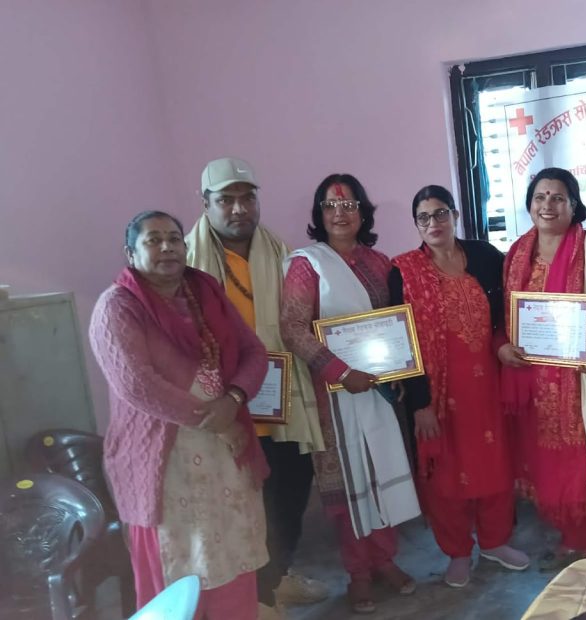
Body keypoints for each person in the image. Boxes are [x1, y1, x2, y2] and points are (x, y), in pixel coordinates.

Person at [90, 211, 269, 619]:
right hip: (163, 462)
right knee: (179, 567)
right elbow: (137, 385)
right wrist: (219, 423)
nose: (167, 247)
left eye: (174, 238)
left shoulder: (204, 292)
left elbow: (254, 352)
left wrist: (234, 399)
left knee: (233, 550)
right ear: (130, 253)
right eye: (153, 240)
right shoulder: (117, 307)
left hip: (225, 456)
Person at [185, 157, 327, 616]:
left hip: (282, 402)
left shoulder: (280, 251)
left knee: (289, 495)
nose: (238, 208)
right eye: (225, 199)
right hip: (226, 406)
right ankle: (253, 600)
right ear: (205, 204)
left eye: (247, 198)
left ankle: (277, 581)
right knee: (239, 508)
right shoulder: (186, 262)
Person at [280, 174, 419, 614]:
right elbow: (293, 329)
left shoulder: (379, 262)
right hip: (333, 397)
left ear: (363, 212)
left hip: (377, 391)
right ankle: (358, 572)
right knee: (349, 486)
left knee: (382, 472)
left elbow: (393, 322)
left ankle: (385, 560)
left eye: (349, 204)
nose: (340, 212)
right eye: (330, 205)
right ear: (319, 214)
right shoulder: (307, 264)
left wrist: (398, 370)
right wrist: (340, 372)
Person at [389, 185, 530, 587]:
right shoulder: (404, 271)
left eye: (440, 213)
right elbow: (402, 342)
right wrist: (420, 403)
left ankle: (495, 541)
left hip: (488, 386)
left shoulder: (484, 256)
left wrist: (504, 346)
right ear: (416, 224)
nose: (433, 223)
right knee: (446, 476)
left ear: (454, 215)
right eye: (423, 217)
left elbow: (508, 313)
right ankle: (457, 551)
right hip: (438, 395)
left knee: (495, 465)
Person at [500, 167, 586, 570]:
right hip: (534, 383)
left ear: (574, 205)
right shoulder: (517, 254)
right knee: (549, 466)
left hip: (584, 379)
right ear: (529, 204)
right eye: (540, 197)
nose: (547, 205)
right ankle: (571, 540)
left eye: (558, 197)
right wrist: (504, 347)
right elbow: (506, 316)